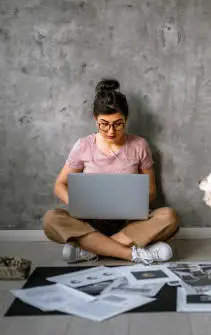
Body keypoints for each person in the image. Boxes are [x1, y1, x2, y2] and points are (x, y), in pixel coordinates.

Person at [43, 79, 180, 264]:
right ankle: (134, 253)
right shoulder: (83, 146)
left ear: (126, 119)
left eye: (118, 124)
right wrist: (78, 203)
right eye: (103, 124)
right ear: (95, 118)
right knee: (52, 219)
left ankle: (90, 249)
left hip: (129, 222)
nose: (110, 131)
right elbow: (60, 184)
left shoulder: (139, 145)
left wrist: (130, 203)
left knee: (169, 217)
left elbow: (152, 191)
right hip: (90, 221)